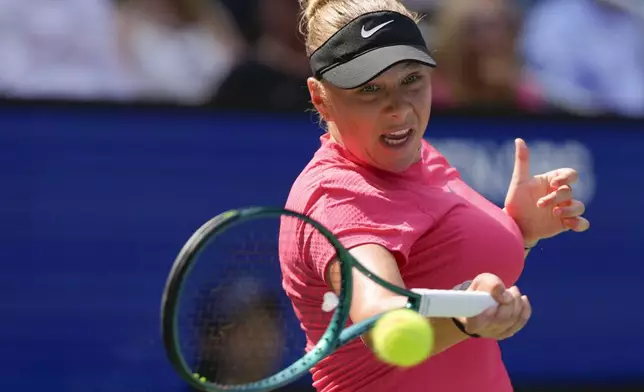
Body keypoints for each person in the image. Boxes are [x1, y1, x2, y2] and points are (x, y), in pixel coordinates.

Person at [279, 0, 590, 391]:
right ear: (320, 96)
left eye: (411, 80)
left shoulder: (417, 154)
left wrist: (522, 233)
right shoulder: (337, 197)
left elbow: (444, 267)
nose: (399, 109)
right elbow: (382, 318)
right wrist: (465, 318)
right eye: (370, 88)